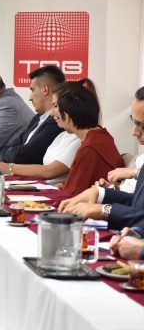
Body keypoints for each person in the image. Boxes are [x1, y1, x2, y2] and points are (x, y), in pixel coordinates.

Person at [58, 86, 144, 229]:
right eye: (133, 121)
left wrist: (103, 209)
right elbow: (137, 204)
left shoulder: (91, 146)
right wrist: (100, 193)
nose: (133, 132)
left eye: (141, 125)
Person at [0, 65, 66, 164]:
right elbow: (7, 148)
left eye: (32, 90)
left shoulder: (56, 122)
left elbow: (21, 157)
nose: (30, 98)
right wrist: (12, 153)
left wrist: (11, 153)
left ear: (45, 89)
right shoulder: (37, 117)